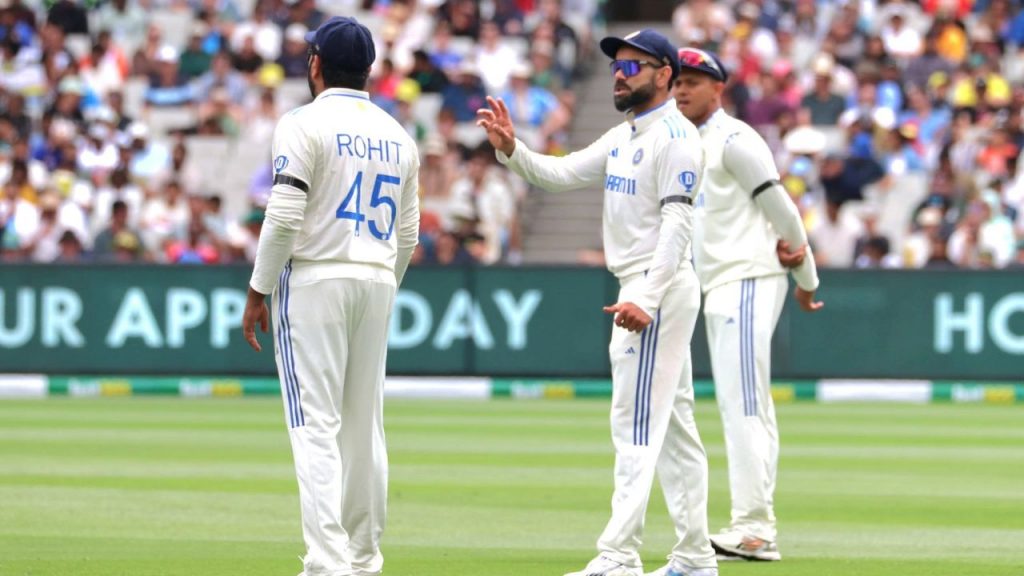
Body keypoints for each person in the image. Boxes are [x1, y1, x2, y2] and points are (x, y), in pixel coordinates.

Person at [478, 29, 717, 576]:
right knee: (675, 428)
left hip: (656, 284)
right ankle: (696, 558)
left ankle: (619, 556)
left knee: (633, 423)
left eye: (633, 66)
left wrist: (648, 298)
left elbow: (679, 226)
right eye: (616, 65)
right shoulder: (625, 135)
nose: (618, 73)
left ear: (664, 75)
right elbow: (561, 174)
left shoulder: (677, 136)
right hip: (643, 282)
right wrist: (512, 150)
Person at [240, 16, 420, 576]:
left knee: (313, 425)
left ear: (315, 64)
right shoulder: (398, 133)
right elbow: (409, 234)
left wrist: (257, 290)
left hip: (316, 276)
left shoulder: (302, 122)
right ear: (368, 70)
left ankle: (327, 562)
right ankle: (363, 560)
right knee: (363, 427)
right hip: (377, 275)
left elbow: (286, 212)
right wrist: (384, 282)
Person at [671, 46, 824, 562]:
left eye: (695, 80)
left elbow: (781, 208)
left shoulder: (735, 139)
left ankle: (755, 528)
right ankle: (756, 524)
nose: (683, 89)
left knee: (744, 404)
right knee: (746, 403)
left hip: (749, 278)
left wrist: (807, 278)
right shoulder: (684, 144)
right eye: (679, 81)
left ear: (720, 88)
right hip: (722, 284)